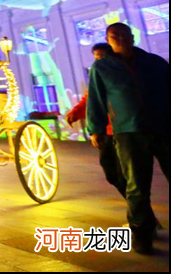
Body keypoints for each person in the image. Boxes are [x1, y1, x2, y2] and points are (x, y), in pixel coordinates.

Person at [87, 22, 168, 254]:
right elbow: (96, 99)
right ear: (108, 39)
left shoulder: (155, 63)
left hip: (162, 127)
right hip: (128, 131)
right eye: (114, 35)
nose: (120, 38)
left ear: (132, 37)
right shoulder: (101, 68)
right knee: (136, 185)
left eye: (124, 34)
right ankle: (142, 233)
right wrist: (97, 128)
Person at [65, 43, 126, 197]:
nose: (99, 60)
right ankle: (134, 203)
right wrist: (75, 113)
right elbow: (90, 98)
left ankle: (139, 210)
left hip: (123, 130)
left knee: (127, 171)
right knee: (111, 171)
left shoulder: (120, 73)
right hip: (106, 131)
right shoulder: (98, 75)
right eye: (96, 57)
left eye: (102, 56)